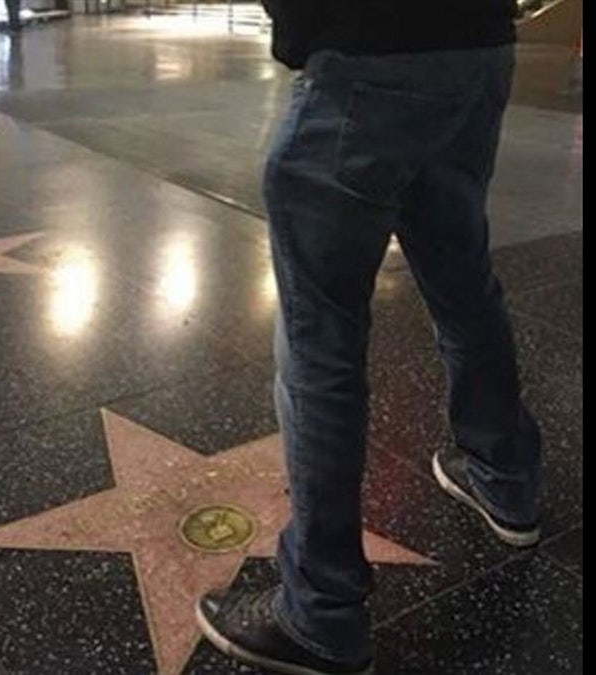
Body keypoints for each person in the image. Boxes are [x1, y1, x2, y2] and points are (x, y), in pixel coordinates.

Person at [195, 1, 542, 673]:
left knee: (320, 334)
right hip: (479, 49)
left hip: (366, 56)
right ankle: (505, 474)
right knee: (463, 279)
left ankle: (321, 605)